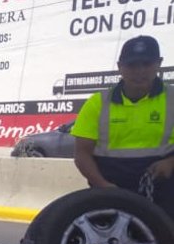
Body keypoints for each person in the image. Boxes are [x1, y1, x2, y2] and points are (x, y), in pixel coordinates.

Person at [72, 35, 174, 217]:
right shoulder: (98, 103)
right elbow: (82, 154)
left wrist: (171, 162)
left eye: (146, 64)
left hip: (163, 190)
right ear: (120, 67)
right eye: (132, 65)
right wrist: (102, 185)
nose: (139, 71)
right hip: (110, 189)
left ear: (158, 63)